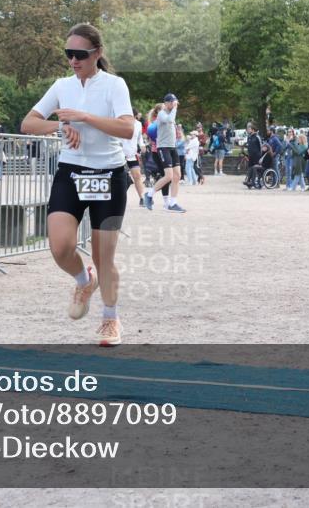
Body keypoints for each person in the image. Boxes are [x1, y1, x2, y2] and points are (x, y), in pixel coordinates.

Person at [20, 23, 134, 346]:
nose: (73, 60)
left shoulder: (114, 86)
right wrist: (59, 126)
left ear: (97, 53)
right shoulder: (61, 86)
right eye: (68, 54)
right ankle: (85, 281)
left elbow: (127, 129)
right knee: (59, 246)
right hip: (71, 172)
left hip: (108, 174)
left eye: (80, 54)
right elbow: (28, 123)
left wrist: (84, 117)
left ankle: (110, 320)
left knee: (103, 256)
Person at [145, 94, 185, 213]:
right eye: (172, 102)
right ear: (167, 103)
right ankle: (149, 195)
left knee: (177, 175)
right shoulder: (162, 113)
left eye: (175, 102)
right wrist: (175, 108)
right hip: (163, 148)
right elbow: (170, 120)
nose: (174, 104)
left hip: (172, 148)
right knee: (168, 176)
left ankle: (172, 203)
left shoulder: (170, 113)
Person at [123, 107, 146, 207]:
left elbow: (139, 137)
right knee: (122, 177)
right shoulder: (120, 122)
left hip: (132, 153)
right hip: (120, 153)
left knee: (137, 175)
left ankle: (142, 198)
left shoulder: (138, 124)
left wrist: (142, 145)